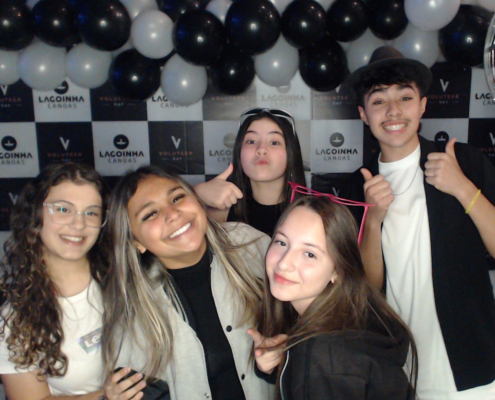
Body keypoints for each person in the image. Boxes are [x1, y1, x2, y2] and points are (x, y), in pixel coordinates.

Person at [344, 46, 495, 398]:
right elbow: (365, 290)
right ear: (363, 114)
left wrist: (463, 189)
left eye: (405, 97)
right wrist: (373, 220)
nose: (393, 111)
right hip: (397, 372)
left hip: (473, 368)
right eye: (378, 100)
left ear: (423, 105)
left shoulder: (462, 162)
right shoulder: (357, 187)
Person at [102, 165, 275, 400]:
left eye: (177, 198)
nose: (172, 214)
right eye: (150, 214)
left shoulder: (250, 244)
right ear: (136, 242)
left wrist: (280, 357)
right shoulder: (130, 308)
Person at [252, 195, 416, 399]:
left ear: (338, 270)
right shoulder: (353, 314)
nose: (284, 263)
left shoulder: (324, 353)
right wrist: (282, 365)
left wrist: (303, 363)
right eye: (281, 242)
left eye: (309, 254)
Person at [0, 162, 110, 399]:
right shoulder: (14, 321)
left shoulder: (126, 280)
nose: (79, 224)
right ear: (35, 214)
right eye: (63, 209)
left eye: (91, 212)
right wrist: (108, 396)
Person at [194, 108, 306, 236]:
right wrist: (196, 194)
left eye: (274, 142)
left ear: (291, 153)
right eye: (251, 141)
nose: (261, 149)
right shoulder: (220, 212)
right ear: (239, 152)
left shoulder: (313, 212)